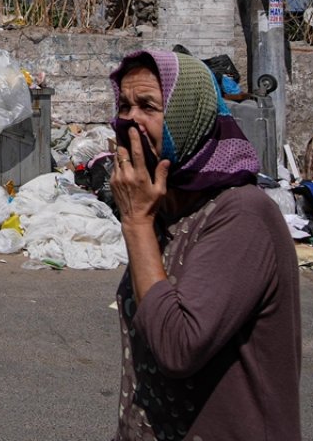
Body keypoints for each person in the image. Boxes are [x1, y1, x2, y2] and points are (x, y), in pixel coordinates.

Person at [108, 49, 301, 441]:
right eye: (124, 106)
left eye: (148, 106)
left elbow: (178, 347)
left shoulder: (242, 216)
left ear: (189, 118)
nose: (130, 120)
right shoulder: (167, 211)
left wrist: (136, 222)